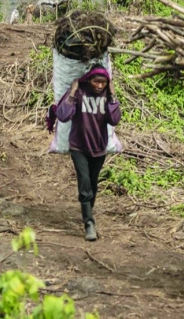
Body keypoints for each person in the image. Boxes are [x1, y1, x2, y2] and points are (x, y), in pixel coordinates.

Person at [55, 64, 121, 242]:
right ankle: (89, 224)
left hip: (99, 148)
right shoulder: (80, 93)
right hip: (79, 146)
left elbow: (114, 119)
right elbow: (62, 115)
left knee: (92, 184)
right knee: (84, 183)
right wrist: (72, 92)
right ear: (89, 80)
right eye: (96, 81)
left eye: (103, 82)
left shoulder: (107, 95)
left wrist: (113, 96)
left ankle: (87, 213)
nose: (100, 86)